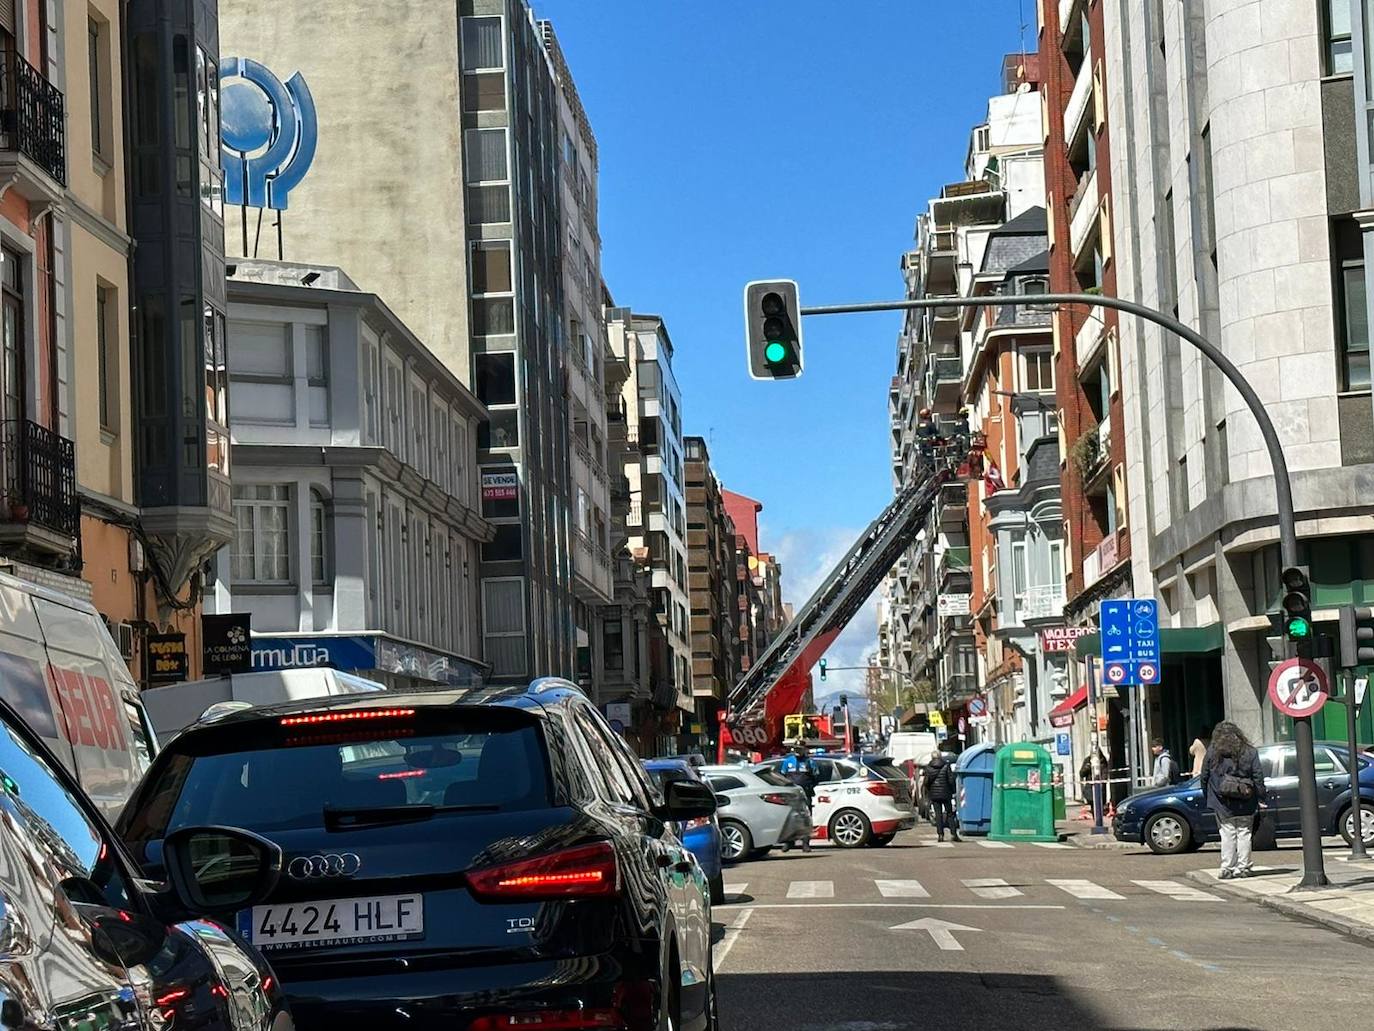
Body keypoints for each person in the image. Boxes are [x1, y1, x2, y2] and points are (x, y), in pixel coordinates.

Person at [1199, 721, 1266, 879]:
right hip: (1246, 799)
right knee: (1244, 833)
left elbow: (1204, 777)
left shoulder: (1213, 752)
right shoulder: (1250, 752)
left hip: (1221, 801)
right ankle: (1243, 867)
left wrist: (1208, 796)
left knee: (1227, 833)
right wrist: (1261, 796)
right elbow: (1258, 776)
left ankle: (1227, 867)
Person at [780, 750, 817, 853]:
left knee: (806, 819)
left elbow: (815, 776)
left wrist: (809, 788)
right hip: (791, 795)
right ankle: (788, 842)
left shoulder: (809, 762)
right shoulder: (788, 761)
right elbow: (782, 777)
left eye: (799, 749)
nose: (797, 751)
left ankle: (805, 844)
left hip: (805, 795)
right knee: (790, 818)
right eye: (796, 749)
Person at [921, 750, 960, 843]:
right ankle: (953, 834)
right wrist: (953, 790)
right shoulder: (946, 766)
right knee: (950, 814)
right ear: (940, 757)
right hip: (946, 793)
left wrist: (928, 790)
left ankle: (940, 835)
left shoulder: (929, 768)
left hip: (934, 794)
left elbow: (926, 782)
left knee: (938, 815)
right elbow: (951, 780)